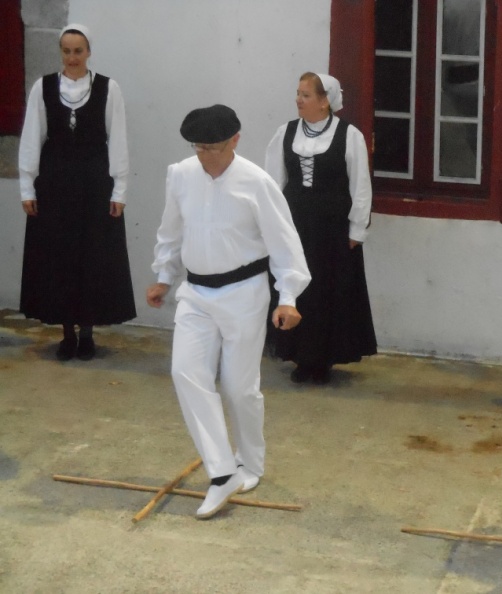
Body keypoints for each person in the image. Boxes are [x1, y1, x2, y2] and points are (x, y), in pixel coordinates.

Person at [146, 105, 310, 519]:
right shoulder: (181, 175)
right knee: (186, 372)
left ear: (235, 141)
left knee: (239, 388)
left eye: (214, 148)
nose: (206, 156)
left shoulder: (257, 183)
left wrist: (288, 297)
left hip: (244, 293)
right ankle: (222, 472)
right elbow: (171, 230)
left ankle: (250, 463)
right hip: (196, 293)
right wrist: (164, 276)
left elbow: (284, 242)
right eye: (199, 148)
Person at [18, 23, 136, 361]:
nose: (72, 57)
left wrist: (119, 190)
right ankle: (67, 333)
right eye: (67, 51)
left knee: (93, 257)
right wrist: (27, 186)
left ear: (88, 52)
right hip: (55, 185)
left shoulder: (108, 88)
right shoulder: (43, 88)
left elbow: (118, 140)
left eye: (78, 51)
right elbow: (31, 138)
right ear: (61, 52)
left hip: (95, 184)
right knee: (59, 257)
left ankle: (87, 333)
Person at [264, 72, 377, 384]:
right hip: (295, 224)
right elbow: (272, 183)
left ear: (325, 101)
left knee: (328, 290)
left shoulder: (349, 135)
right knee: (295, 286)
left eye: (306, 95)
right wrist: (270, 224)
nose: (298, 100)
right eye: (298, 94)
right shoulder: (285, 132)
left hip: (332, 229)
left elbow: (361, 186)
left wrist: (356, 229)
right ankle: (299, 354)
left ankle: (323, 359)